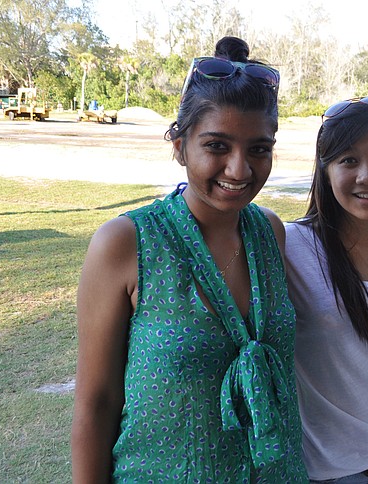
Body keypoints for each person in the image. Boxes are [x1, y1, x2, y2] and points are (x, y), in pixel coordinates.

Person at [71, 37, 307, 482]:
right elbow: (95, 402)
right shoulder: (126, 243)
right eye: (217, 146)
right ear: (179, 146)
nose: (240, 169)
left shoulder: (270, 233)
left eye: (259, 148)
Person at [285, 96, 368, 483]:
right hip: (330, 473)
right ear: (324, 169)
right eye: (348, 160)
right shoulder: (290, 245)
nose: (367, 175)